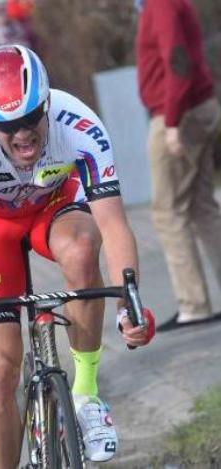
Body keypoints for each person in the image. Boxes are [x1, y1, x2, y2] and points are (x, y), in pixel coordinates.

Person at [0, 44, 156, 467]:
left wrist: (130, 304)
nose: (23, 134)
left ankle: (86, 394)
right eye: (7, 125)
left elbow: (113, 225)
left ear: (48, 104)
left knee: (82, 249)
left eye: (31, 119)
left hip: (54, 209)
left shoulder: (79, 124)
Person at [135, 0, 221, 331]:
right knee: (202, 208)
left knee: (168, 211)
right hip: (196, 107)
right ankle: (197, 303)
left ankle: (194, 305)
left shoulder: (160, 4)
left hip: (178, 115)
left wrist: (171, 122)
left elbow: (178, 60)